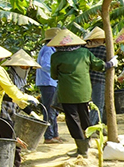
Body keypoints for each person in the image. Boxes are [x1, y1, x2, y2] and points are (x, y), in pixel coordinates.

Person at [49, 29, 115, 157]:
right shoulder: (84, 52)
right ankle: (87, 143)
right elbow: (98, 65)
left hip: (67, 92)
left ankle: (82, 149)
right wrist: (110, 64)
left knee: (72, 119)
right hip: (84, 91)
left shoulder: (56, 56)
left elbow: (54, 75)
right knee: (84, 116)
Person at [36, 28, 62, 143]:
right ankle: (49, 136)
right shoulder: (48, 49)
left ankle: (54, 134)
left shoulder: (50, 49)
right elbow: (45, 65)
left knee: (53, 110)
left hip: (50, 82)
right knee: (50, 110)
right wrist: (57, 71)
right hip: (48, 82)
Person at [84, 27, 108, 118]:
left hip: (86, 79)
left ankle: (92, 126)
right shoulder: (105, 50)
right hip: (99, 79)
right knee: (98, 105)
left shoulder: (85, 50)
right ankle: (92, 126)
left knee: (88, 104)